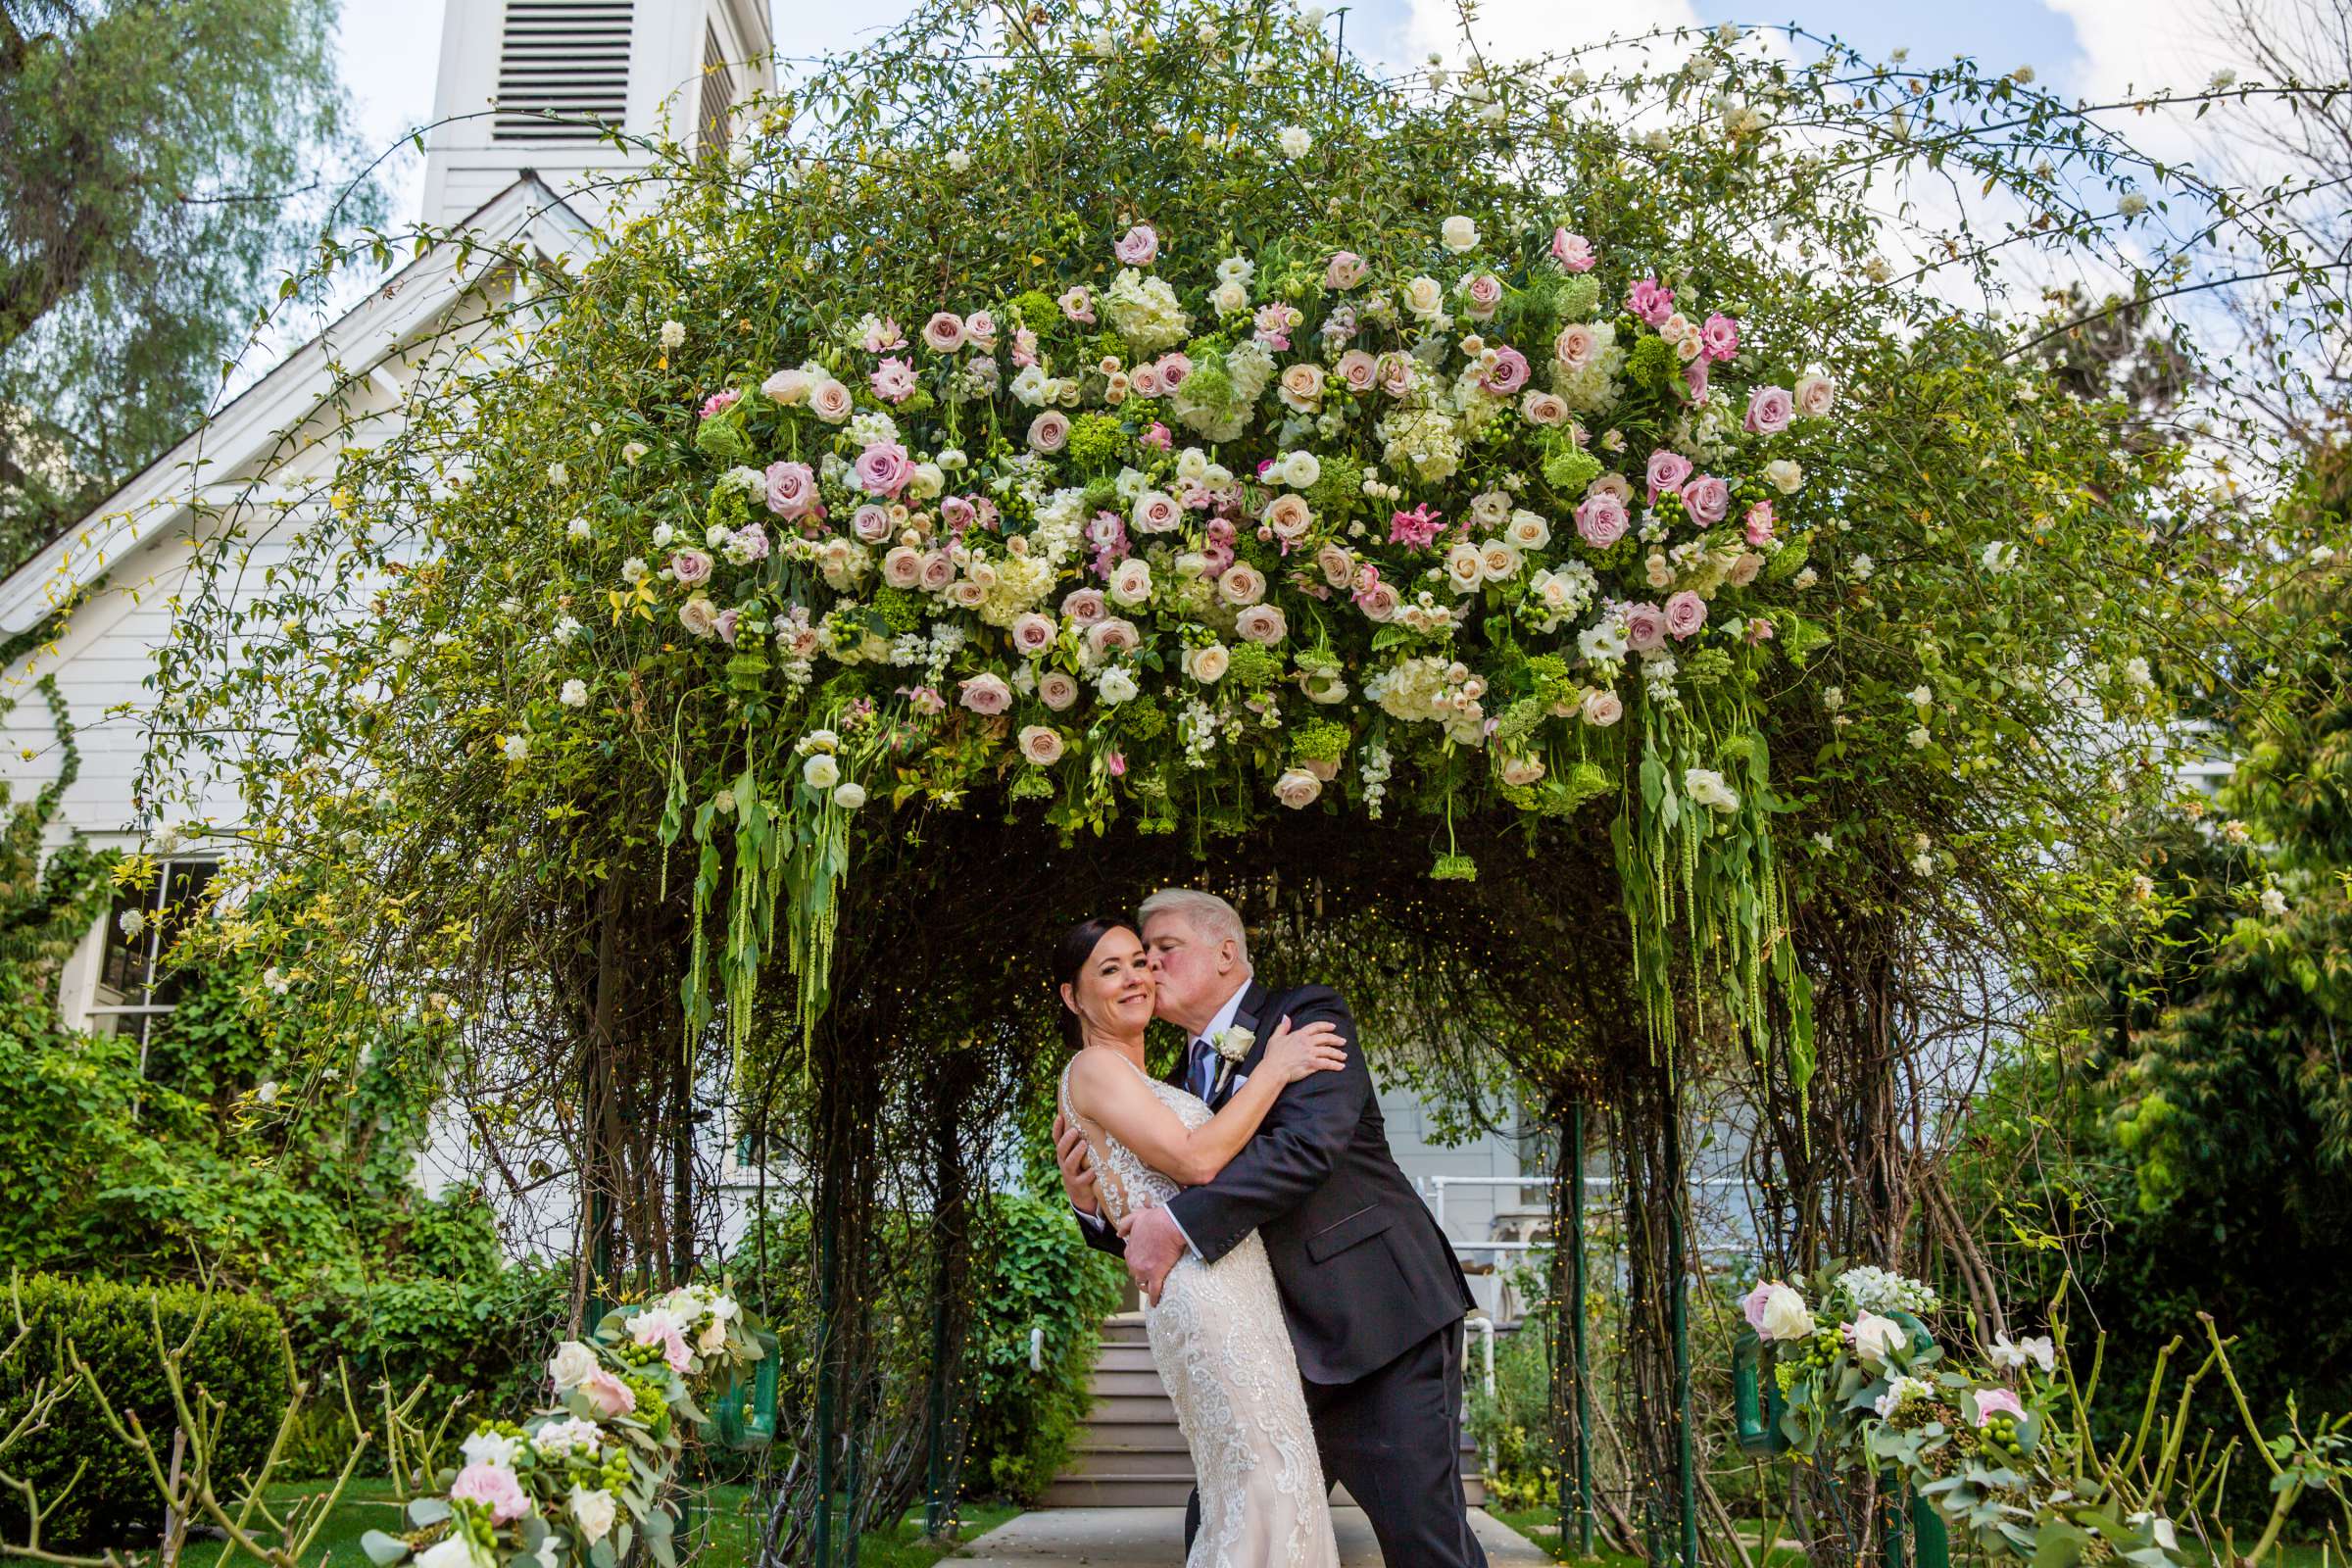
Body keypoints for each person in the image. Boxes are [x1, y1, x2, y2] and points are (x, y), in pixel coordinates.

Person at [1056, 888, 1489, 1568]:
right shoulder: (1164, 1084)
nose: (1149, 971)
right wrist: (1091, 1204)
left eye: (1162, 952)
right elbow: (1156, 1217)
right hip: (1264, 1349)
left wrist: (1174, 1224)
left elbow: (1304, 1150)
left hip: (1377, 1327)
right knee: (1238, 1522)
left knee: (1425, 1541)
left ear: (1227, 953)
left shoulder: (1306, 1018)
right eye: (1137, 960)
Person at [1054, 913, 1348, 1566]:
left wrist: (1092, 1199)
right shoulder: (1093, 1069)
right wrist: (1275, 1069)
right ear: (1073, 997)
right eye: (1111, 969)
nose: (1136, 976)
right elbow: (1197, 1163)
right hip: (1205, 1291)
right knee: (1264, 1482)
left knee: (1267, 1483)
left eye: (1140, 960)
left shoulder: (1158, 1077)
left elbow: (1142, 1187)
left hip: (1240, 1285)